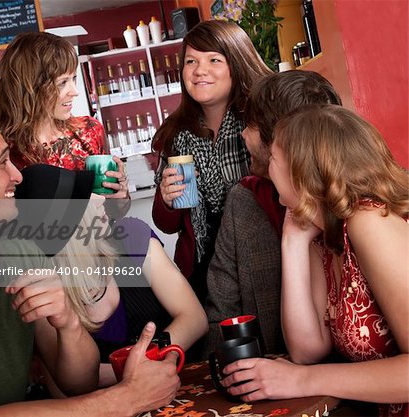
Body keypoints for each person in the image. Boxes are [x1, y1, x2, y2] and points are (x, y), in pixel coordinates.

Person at [0, 112, 180, 416]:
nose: (17, 175)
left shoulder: (18, 248)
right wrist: (128, 398)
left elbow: (79, 383)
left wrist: (68, 323)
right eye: (2, 163)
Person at [220, 105, 408, 417]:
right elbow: (307, 349)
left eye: (275, 156)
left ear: (301, 170)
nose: (267, 165)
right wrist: (291, 240)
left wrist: (301, 380)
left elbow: (304, 370)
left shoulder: (369, 221)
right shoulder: (324, 237)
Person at [15, 164, 209, 388]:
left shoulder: (130, 236)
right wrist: (136, 373)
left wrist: (135, 364)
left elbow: (195, 319)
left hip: (182, 387)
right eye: (87, 196)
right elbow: (71, 387)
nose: (100, 200)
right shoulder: (42, 292)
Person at [203, 70, 342, 358]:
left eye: (251, 125)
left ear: (285, 138)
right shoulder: (244, 200)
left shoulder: (358, 209)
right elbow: (221, 314)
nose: (242, 134)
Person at [152, 20, 272, 302]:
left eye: (214, 60)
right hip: (200, 271)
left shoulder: (260, 123)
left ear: (237, 63)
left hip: (263, 259)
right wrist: (167, 199)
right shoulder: (175, 133)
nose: (199, 71)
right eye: (190, 61)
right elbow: (167, 224)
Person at [0, 31, 128, 199]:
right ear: (31, 88)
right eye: (62, 83)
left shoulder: (89, 131)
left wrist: (121, 195)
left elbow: (114, 211)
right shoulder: (3, 150)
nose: (75, 92)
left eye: (73, 78)